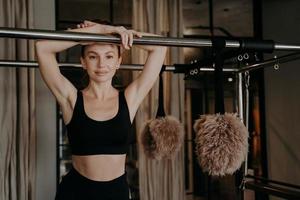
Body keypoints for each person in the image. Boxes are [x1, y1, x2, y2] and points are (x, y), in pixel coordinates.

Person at [35, 20, 167, 200]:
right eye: (92, 56)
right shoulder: (71, 99)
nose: (101, 65)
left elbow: (160, 47)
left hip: (116, 193)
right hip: (76, 192)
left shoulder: (129, 99)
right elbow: (42, 47)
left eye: (109, 56)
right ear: (83, 62)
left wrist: (122, 34)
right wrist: (99, 30)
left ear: (119, 61)